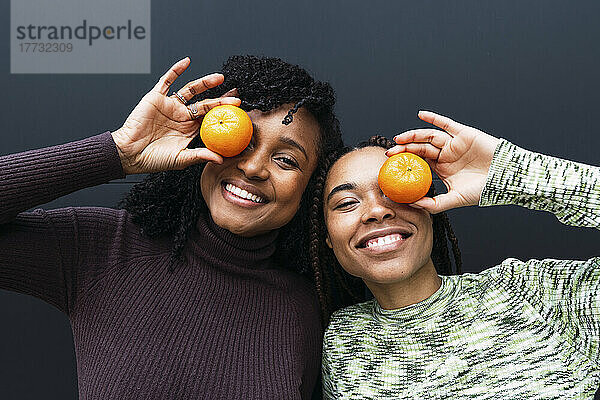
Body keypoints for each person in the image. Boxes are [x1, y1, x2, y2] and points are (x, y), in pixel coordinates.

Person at [0, 55, 343, 399]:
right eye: (244, 140)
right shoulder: (105, 250)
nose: (254, 167)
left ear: (310, 187)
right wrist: (117, 153)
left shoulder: (307, 309)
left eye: (286, 159)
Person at [314, 111, 600, 399]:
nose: (377, 211)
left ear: (429, 208)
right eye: (347, 202)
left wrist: (511, 172)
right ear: (327, 235)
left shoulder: (530, 293)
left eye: (392, 192)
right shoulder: (342, 339)